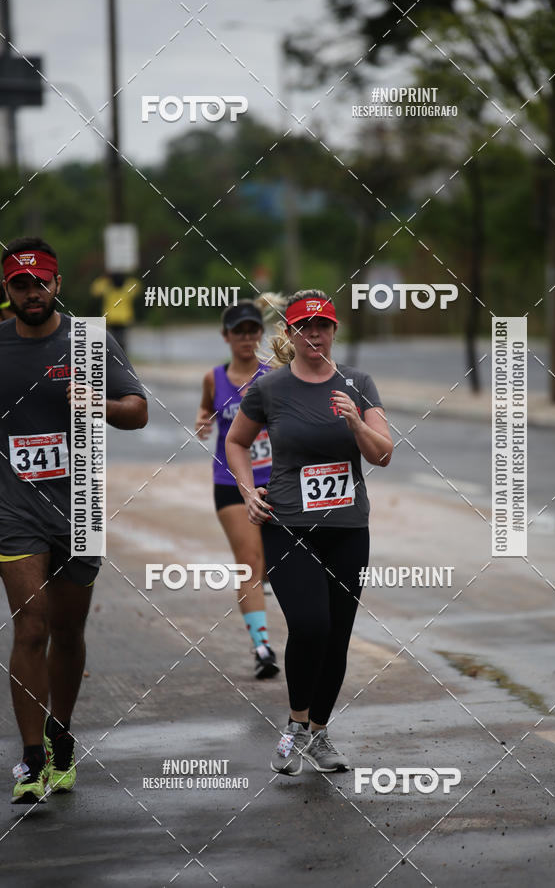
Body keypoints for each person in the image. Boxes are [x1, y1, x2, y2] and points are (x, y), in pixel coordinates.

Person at [0, 237, 148, 804]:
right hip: (14, 509)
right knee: (31, 626)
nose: (32, 293)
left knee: (66, 631)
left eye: (41, 283)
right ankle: (31, 759)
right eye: (20, 284)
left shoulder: (89, 342)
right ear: (7, 289)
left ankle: (60, 736)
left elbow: (137, 411)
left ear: (58, 284)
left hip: (79, 505)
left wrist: (95, 405)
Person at [226, 290, 393, 775]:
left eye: (322, 326)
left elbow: (383, 453)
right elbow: (236, 442)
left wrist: (356, 423)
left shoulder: (358, 383)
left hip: (347, 528)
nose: (314, 334)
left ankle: (319, 732)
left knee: (337, 636)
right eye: (304, 326)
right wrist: (247, 492)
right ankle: (296, 725)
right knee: (310, 625)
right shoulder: (270, 388)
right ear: (290, 333)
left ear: (335, 330)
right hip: (288, 526)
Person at [195, 300, 279, 679]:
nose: (246, 338)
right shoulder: (214, 379)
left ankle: (267, 581)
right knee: (249, 561)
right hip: (231, 484)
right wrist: (203, 421)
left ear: (261, 333)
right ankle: (262, 647)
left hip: (276, 482)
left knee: (273, 562)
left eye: (252, 330)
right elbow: (206, 411)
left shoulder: (274, 375)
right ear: (225, 336)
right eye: (238, 331)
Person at [90, 272, 139, 354]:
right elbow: (137, 286)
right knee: (122, 340)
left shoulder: (107, 289)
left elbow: (95, 290)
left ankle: (112, 354)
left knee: (110, 340)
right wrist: (128, 275)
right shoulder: (127, 289)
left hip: (110, 318)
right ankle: (122, 355)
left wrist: (105, 278)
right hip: (124, 318)